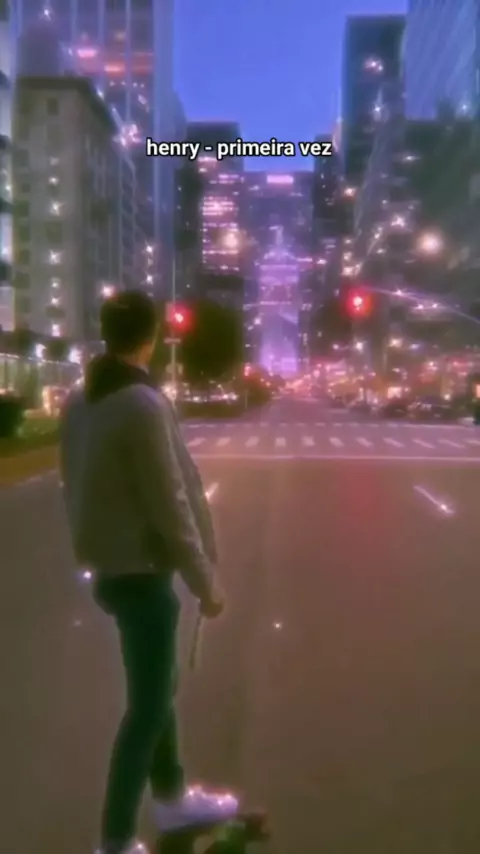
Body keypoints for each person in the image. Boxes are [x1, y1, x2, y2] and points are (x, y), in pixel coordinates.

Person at [59, 290, 239, 854]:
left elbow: (73, 481)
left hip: (110, 567)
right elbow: (171, 502)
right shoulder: (141, 404)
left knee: (156, 689)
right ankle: (115, 839)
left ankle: (172, 797)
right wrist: (206, 582)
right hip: (141, 573)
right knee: (148, 709)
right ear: (152, 337)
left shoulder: (80, 400)